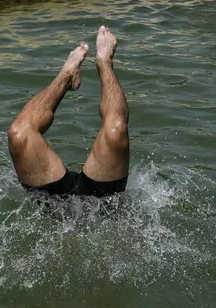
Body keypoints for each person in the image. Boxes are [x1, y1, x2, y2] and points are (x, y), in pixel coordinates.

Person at [8, 26, 129, 198]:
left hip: (101, 205)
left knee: (116, 129)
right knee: (18, 134)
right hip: (57, 204)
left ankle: (104, 62)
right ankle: (67, 76)